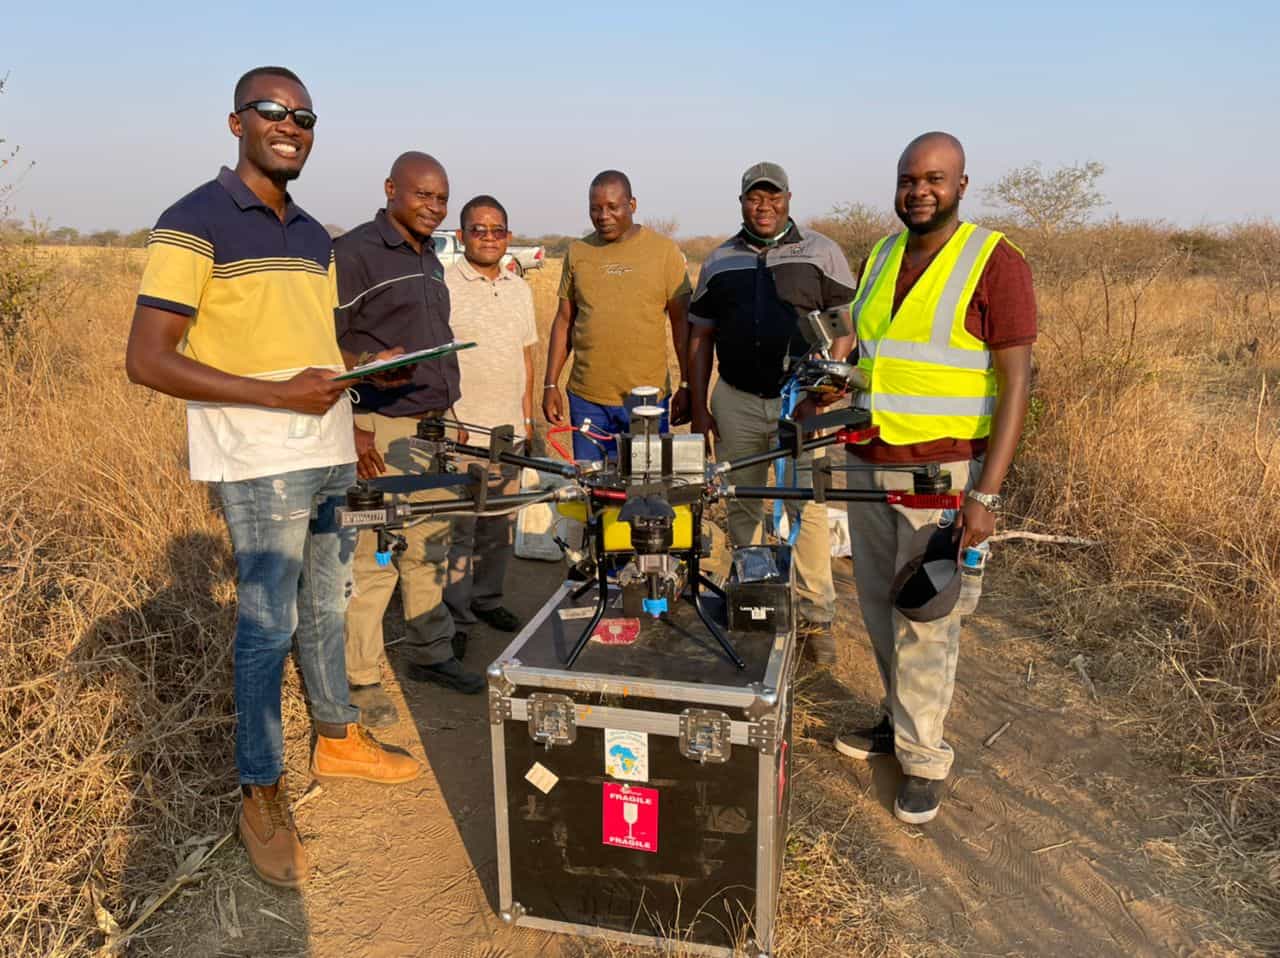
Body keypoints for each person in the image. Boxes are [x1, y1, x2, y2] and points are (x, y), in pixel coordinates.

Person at [124, 66, 421, 890]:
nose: (290, 124)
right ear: (236, 123)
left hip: (323, 449)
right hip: (258, 460)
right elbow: (148, 361)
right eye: (272, 111)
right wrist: (276, 394)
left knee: (324, 602)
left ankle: (337, 737)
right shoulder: (193, 221)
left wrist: (362, 367)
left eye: (304, 115)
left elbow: (304, 343)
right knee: (265, 623)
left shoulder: (312, 233)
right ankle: (260, 791)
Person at [833, 132, 1036, 826]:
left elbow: (1016, 384)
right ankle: (896, 720)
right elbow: (874, 358)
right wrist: (837, 389)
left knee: (925, 616)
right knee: (875, 606)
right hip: (867, 461)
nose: (919, 190)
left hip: (941, 475)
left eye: (934, 178)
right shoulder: (883, 255)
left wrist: (986, 493)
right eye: (908, 179)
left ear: (961, 185)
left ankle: (923, 759)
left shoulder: (994, 261)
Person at [336, 152, 487, 724]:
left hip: (432, 423)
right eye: (423, 195)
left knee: (430, 545)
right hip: (379, 427)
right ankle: (362, 676)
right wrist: (353, 425)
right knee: (375, 556)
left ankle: (429, 652)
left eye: (442, 198)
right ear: (391, 189)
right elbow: (327, 342)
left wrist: (448, 409)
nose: (434, 207)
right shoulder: (353, 253)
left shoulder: (429, 256)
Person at [687, 162, 857, 658]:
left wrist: (824, 389)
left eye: (773, 197)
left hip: (801, 405)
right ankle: (753, 598)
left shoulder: (822, 252)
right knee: (741, 501)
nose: (763, 206)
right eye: (753, 198)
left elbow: (846, 327)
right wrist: (700, 406)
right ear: (741, 202)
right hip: (736, 399)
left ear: (788, 198)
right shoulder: (719, 260)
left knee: (808, 503)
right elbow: (700, 335)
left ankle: (814, 615)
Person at [542, 170, 692, 459]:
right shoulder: (578, 252)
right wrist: (550, 383)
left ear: (632, 205)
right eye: (595, 209)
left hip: (646, 401)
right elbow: (564, 321)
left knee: (645, 493)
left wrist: (686, 385)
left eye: (613, 207)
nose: (603, 216)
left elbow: (681, 323)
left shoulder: (664, 252)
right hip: (587, 400)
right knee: (593, 490)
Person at [443, 195, 537, 636]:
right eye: (478, 230)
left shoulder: (520, 288)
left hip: (509, 432)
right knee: (460, 530)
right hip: (464, 429)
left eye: (497, 230)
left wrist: (528, 419)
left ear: (508, 237)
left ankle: (488, 599)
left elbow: (526, 358)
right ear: (461, 236)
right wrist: (451, 420)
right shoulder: (444, 285)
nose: (488, 238)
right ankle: (455, 617)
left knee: (499, 526)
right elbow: (437, 361)